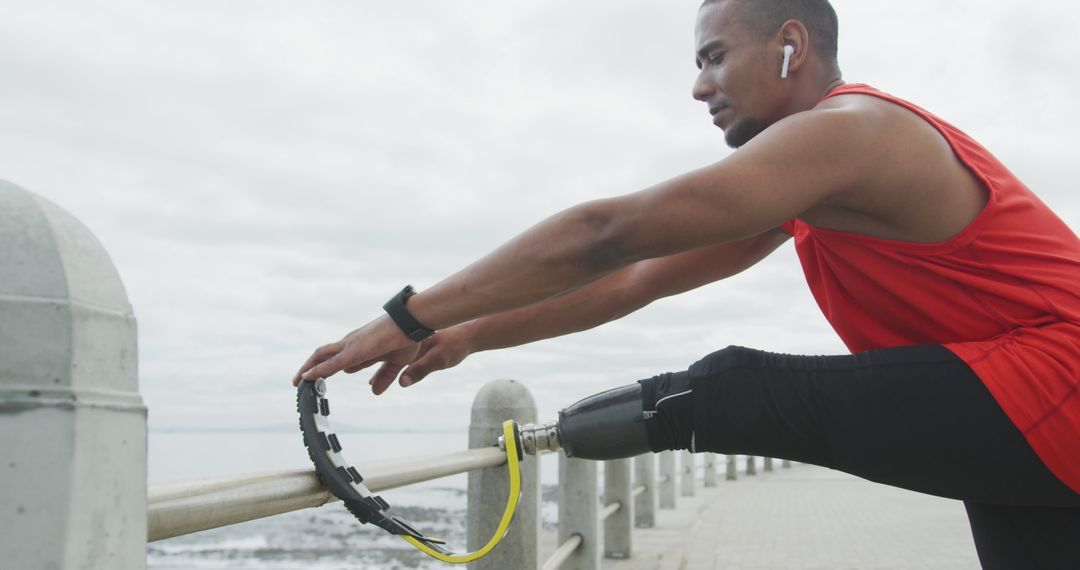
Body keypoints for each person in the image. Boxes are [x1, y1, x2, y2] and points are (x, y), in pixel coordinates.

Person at [294, 0, 1080, 567]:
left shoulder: (853, 134)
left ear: (790, 45)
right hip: (1028, 405)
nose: (700, 88)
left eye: (713, 56)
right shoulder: (811, 188)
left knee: (729, 389)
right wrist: (466, 332)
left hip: (1056, 380)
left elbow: (611, 232)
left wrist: (405, 314)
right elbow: (636, 275)